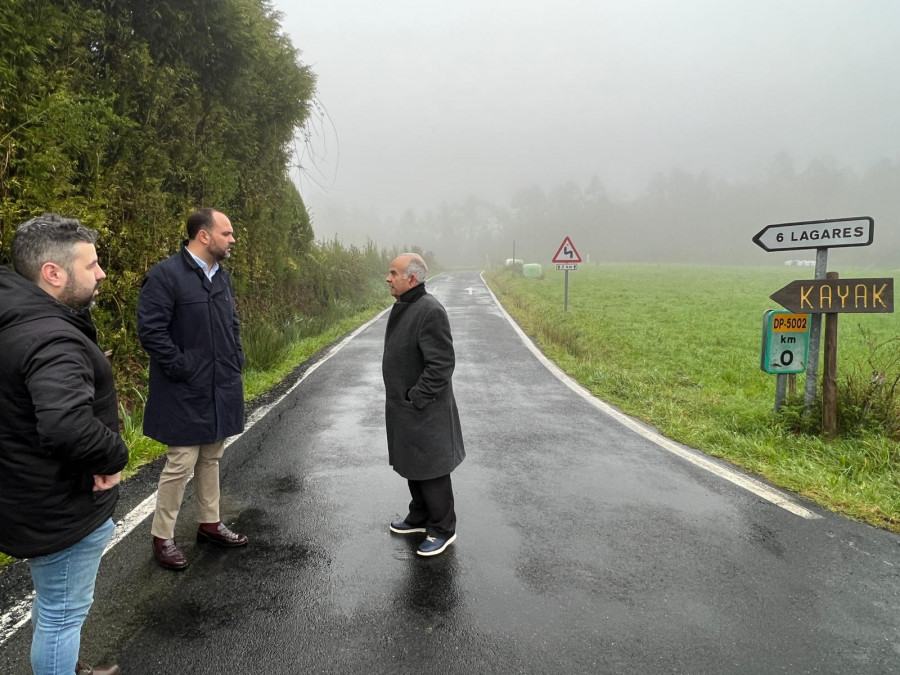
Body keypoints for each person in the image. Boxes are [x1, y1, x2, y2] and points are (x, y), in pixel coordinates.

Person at [0, 214, 127, 675]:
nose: (101, 274)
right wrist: (114, 456)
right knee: (61, 614)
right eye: (91, 265)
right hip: (60, 505)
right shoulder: (51, 337)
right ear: (53, 273)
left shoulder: (13, 317)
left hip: (23, 492)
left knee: (53, 600)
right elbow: (65, 424)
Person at [137, 208, 248, 571]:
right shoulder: (166, 276)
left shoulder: (222, 277)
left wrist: (235, 358)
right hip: (184, 388)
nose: (232, 239)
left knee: (212, 455)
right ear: (204, 235)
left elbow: (232, 323)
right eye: (227, 233)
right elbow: (152, 331)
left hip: (221, 384)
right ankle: (163, 537)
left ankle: (210, 523)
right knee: (180, 461)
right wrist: (182, 367)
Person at [382, 253, 466, 557]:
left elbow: (442, 364)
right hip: (406, 408)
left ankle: (443, 529)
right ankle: (419, 516)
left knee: (432, 469)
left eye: (393, 273)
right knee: (412, 463)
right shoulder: (406, 305)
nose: (388, 278)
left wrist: (416, 396)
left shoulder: (429, 311)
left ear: (412, 279)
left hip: (425, 409)